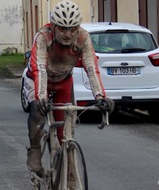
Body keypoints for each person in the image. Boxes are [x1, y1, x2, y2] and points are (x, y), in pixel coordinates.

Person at [24, 0, 115, 172]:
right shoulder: (43, 37)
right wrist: (42, 97)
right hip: (36, 78)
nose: (68, 34)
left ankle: (69, 174)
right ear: (54, 26)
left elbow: (91, 67)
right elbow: (39, 69)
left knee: (66, 132)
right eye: (63, 29)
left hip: (63, 82)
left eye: (73, 29)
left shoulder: (83, 38)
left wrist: (100, 97)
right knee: (37, 109)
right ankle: (35, 149)